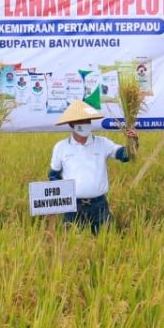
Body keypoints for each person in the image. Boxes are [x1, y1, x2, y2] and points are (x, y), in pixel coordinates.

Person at [48, 99, 138, 234]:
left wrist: (133, 141)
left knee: (106, 243)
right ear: (72, 124)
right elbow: (53, 176)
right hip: (73, 207)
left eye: (87, 121)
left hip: (99, 206)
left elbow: (125, 156)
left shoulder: (102, 143)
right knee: (74, 246)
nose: (85, 124)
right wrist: (62, 200)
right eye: (80, 121)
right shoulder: (61, 147)